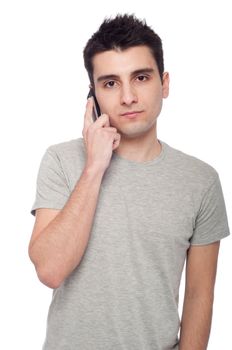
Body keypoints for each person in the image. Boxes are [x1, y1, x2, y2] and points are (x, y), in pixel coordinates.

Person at [28, 14, 230, 350]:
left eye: (140, 77)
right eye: (110, 83)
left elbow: (198, 297)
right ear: (91, 97)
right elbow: (50, 270)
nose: (128, 97)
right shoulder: (61, 161)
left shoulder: (201, 181)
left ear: (164, 83)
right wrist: (94, 169)